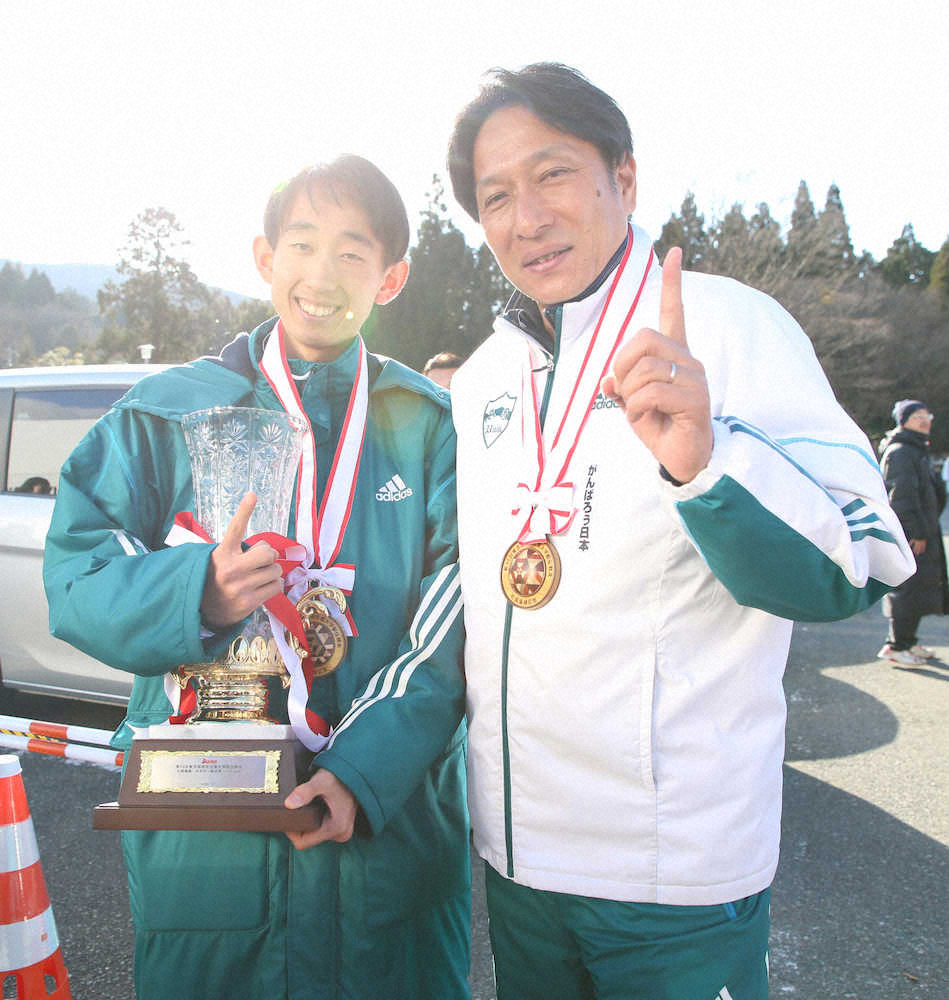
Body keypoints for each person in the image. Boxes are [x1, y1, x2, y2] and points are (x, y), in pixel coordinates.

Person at [445, 63, 915, 999]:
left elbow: (857, 563)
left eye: (551, 174)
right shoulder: (484, 377)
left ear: (623, 179)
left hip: (671, 872)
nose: (524, 216)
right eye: (495, 195)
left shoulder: (730, 327)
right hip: (517, 857)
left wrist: (708, 463)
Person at [43, 157, 470, 1000]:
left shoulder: (427, 429)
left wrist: (363, 769)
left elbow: (459, 618)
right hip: (210, 838)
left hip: (385, 832)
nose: (321, 275)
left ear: (391, 278)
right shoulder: (168, 413)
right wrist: (194, 590)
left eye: (353, 252)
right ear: (263, 258)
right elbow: (75, 571)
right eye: (301, 244)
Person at [877, 399, 948, 665]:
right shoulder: (901, 452)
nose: (925, 420)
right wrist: (915, 532)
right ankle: (895, 647)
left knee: (920, 586)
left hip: (924, 530)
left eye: (927, 415)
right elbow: (901, 497)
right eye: (918, 415)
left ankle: (908, 641)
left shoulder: (916, 449)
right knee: (907, 587)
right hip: (913, 534)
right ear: (903, 420)